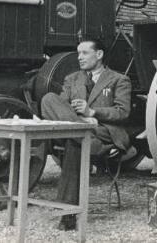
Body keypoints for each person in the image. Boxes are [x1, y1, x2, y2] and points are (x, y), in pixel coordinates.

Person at [40, 38, 131, 230]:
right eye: (78, 53)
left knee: (75, 141)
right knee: (49, 99)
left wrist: (93, 113)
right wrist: (79, 119)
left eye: (84, 53)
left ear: (99, 55)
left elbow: (123, 112)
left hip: (105, 131)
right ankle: (88, 138)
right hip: (85, 132)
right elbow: (61, 109)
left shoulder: (119, 79)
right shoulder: (72, 79)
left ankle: (67, 215)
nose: (79, 57)